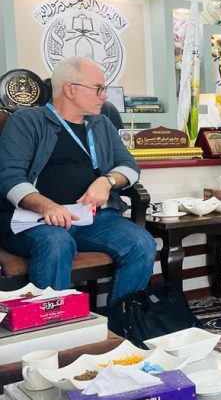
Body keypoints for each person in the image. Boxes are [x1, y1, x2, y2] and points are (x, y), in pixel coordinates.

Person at [0, 56, 156, 309]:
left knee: (142, 243)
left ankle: (122, 323)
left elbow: (130, 166)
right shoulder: (27, 121)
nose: (104, 96)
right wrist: (47, 206)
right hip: (35, 221)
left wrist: (106, 181)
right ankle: (54, 325)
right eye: (98, 88)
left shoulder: (101, 124)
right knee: (57, 243)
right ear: (70, 89)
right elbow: (10, 177)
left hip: (92, 219)